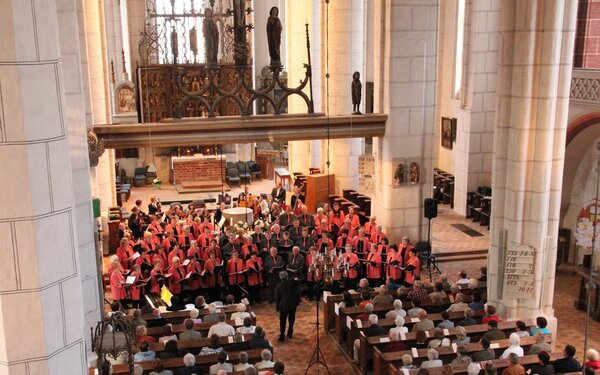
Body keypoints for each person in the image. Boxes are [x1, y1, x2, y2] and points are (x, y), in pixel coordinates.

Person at [274, 271, 300, 341]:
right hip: (292, 304)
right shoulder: (294, 284)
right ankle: (290, 333)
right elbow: (298, 294)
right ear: (287, 276)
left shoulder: (278, 286)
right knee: (291, 319)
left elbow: (277, 299)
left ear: (280, 277)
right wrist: (297, 303)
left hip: (283, 305)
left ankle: (282, 335)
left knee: (282, 320)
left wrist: (277, 307)